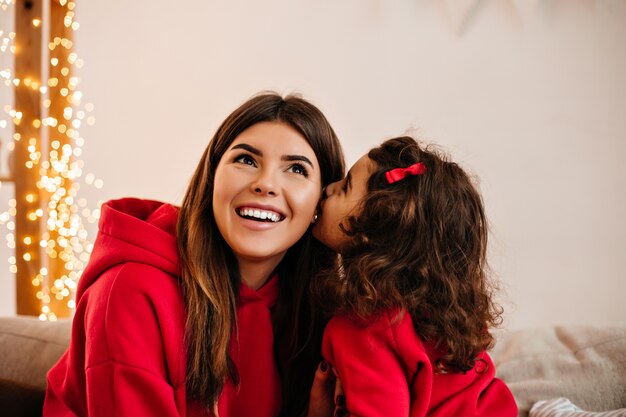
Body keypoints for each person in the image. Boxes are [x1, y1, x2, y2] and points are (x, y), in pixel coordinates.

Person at [43, 92, 345, 417]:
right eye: (246, 160)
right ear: (212, 177)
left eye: (297, 169)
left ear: (321, 202)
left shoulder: (321, 308)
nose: (265, 184)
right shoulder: (130, 290)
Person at [312, 136, 518, 416]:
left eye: (345, 186)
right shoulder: (441, 313)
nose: (328, 188)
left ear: (373, 229)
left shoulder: (363, 327)